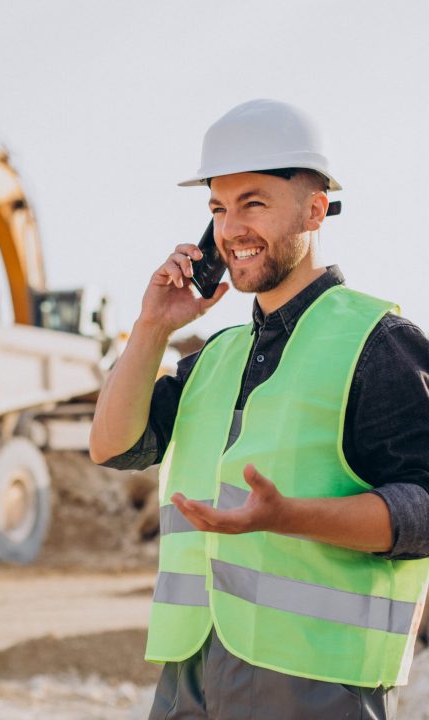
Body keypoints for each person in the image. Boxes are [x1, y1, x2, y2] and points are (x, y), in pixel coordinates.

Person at [89, 99, 429, 720]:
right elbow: (113, 446)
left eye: (254, 203)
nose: (231, 228)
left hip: (316, 682)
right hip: (192, 671)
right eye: (218, 208)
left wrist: (286, 516)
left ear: (315, 209)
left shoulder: (378, 342)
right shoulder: (218, 356)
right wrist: (150, 328)